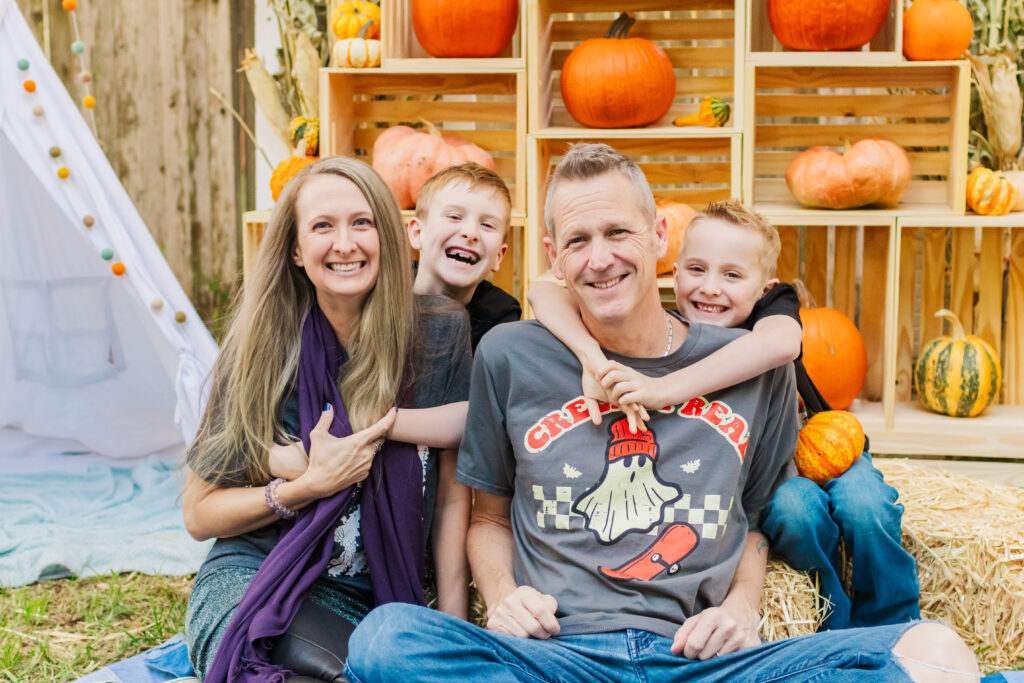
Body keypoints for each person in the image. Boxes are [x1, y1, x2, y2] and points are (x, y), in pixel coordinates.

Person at [342, 143, 979, 682]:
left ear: (659, 235)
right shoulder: (510, 355)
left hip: (698, 661)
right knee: (385, 639)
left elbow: (756, 520)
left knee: (935, 650)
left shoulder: (752, 367)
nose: (600, 258)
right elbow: (486, 515)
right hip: (557, 660)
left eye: (618, 232)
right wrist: (504, 598)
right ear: (552, 254)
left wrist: (742, 608)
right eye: (578, 241)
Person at [529, 199, 921, 631]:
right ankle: (835, 620)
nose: (711, 287)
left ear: (765, 288)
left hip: (822, 441)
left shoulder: (772, 310)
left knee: (865, 506)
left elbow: (782, 344)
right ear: (672, 274)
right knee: (796, 513)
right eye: (696, 270)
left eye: (732, 275)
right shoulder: (666, 328)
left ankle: (895, 622)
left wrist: (661, 390)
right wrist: (589, 356)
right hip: (778, 470)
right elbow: (543, 288)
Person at [182, 156, 473, 683]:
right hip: (258, 577)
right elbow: (200, 514)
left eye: (362, 223)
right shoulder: (261, 348)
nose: (345, 244)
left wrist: (453, 625)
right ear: (295, 248)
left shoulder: (438, 337)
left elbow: (453, 495)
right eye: (322, 226)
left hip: (379, 598)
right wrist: (305, 487)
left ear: (386, 234)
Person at [408, 162, 521, 350]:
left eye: (487, 225)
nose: (470, 233)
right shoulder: (382, 291)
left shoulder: (499, 319)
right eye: (454, 216)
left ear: (499, 256)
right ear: (418, 234)